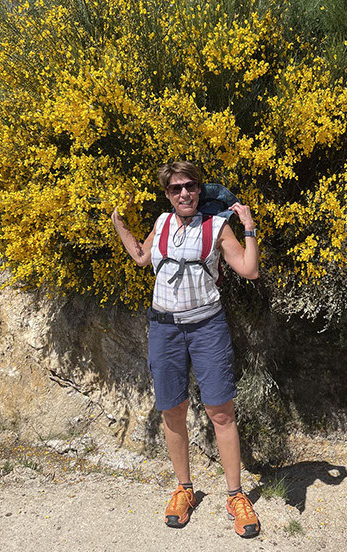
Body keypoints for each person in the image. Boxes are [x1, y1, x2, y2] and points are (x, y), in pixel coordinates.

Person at [111, 161, 260, 538]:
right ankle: (184, 490)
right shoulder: (161, 223)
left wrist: (249, 228)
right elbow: (142, 257)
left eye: (190, 186)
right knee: (172, 409)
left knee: (220, 412)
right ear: (167, 194)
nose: (184, 193)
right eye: (176, 188)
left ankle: (236, 496)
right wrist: (119, 224)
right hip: (164, 328)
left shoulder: (216, 227)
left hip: (207, 327)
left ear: (199, 189)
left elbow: (249, 269)